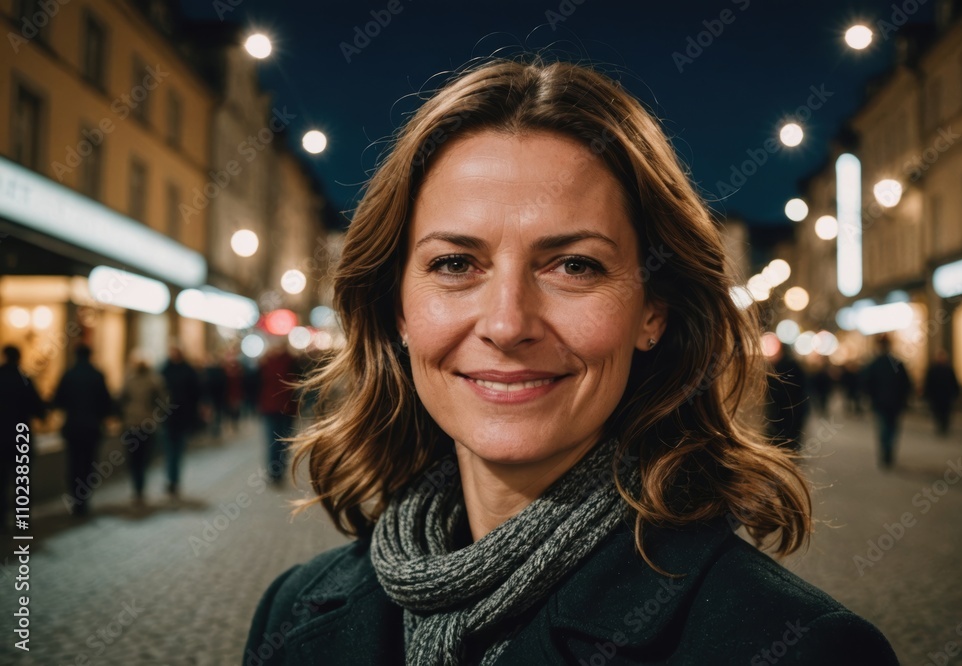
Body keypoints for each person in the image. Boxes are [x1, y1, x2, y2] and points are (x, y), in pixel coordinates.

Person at [244, 59, 898, 664]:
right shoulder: (291, 610)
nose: (506, 324)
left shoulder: (797, 648)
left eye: (574, 265)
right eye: (455, 264)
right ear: (397, 310)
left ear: (653, 310)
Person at [53, 344, 113, 516]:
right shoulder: (97, 376)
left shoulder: (69, 375)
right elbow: (106, 404)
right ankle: (83, 498)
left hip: (73, 427)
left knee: (73, 462)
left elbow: (58, 400)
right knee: (88, 463)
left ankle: (75, 498)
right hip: (92, 428)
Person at [0, 346, 46, 531]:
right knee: (22, 481)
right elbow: (38, 408)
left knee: (1, 481)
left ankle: (1, 520)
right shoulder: (24, 379)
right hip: (21, 438)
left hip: (1, 438)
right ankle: (22, 519)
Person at [118, 351, 169, 505]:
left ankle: (137, 488)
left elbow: (121, 400)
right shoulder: (155, 381)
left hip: (131, 424)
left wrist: (124, 416)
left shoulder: (130, 381)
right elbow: (164, 402)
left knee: (134, 458)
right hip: (147, 425)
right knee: (144, 457)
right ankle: (140, 487)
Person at [863, 335, 912, 469]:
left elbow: (867, 383)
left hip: (880, 403)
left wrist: (871, 397)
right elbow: (906, 384)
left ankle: (885, 450)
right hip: (895, 403)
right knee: (892, 427)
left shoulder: (874, 364)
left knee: (884, 427)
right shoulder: (897, 363)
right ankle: (888, 450)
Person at [160, 345, 201, 499]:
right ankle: (172, 479)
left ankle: (174, 479)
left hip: (182, 416)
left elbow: (196, 392)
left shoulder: (187, 371)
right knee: (170, 450)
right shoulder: (164, 370)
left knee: (177, 450)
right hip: (168, 417)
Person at [257, 344, 301, 485]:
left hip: (283, 408)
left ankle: (277, 472)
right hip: (274, 408)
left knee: (282, 441)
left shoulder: (290, 360)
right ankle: (275, 473)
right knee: (277, 441)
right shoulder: (266, 362)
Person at [765, 343, 809, 450]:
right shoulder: (777, 366)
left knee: (785, 441)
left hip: (788, 411)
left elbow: (799, 390)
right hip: (783, 412)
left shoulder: (787, 366)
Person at [923, 349, 960, 437]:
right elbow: (929, 383)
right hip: (937, 396)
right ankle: (940, 426)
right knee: (938, 412)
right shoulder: (934, 370)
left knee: (945, 413)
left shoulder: (948, 369)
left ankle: (944, 427)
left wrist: (955, 393)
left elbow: (954, 382)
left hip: (946, 396)